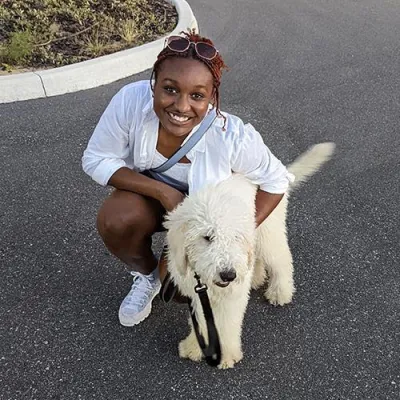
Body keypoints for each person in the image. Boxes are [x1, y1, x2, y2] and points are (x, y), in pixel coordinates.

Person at [82, 30, 294, 327]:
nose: (181, 106)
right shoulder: (130, 101)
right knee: (115, 219)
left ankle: (171, 273)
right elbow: (96, 159)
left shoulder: (232, 136)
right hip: (154, 202)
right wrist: (163, 193)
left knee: (181, 288)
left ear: (212, 97)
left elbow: (276, 180)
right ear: (154, 85)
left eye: (197, 96)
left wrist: (234, 235)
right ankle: (147, 277)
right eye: (170, 89)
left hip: (201, 221)